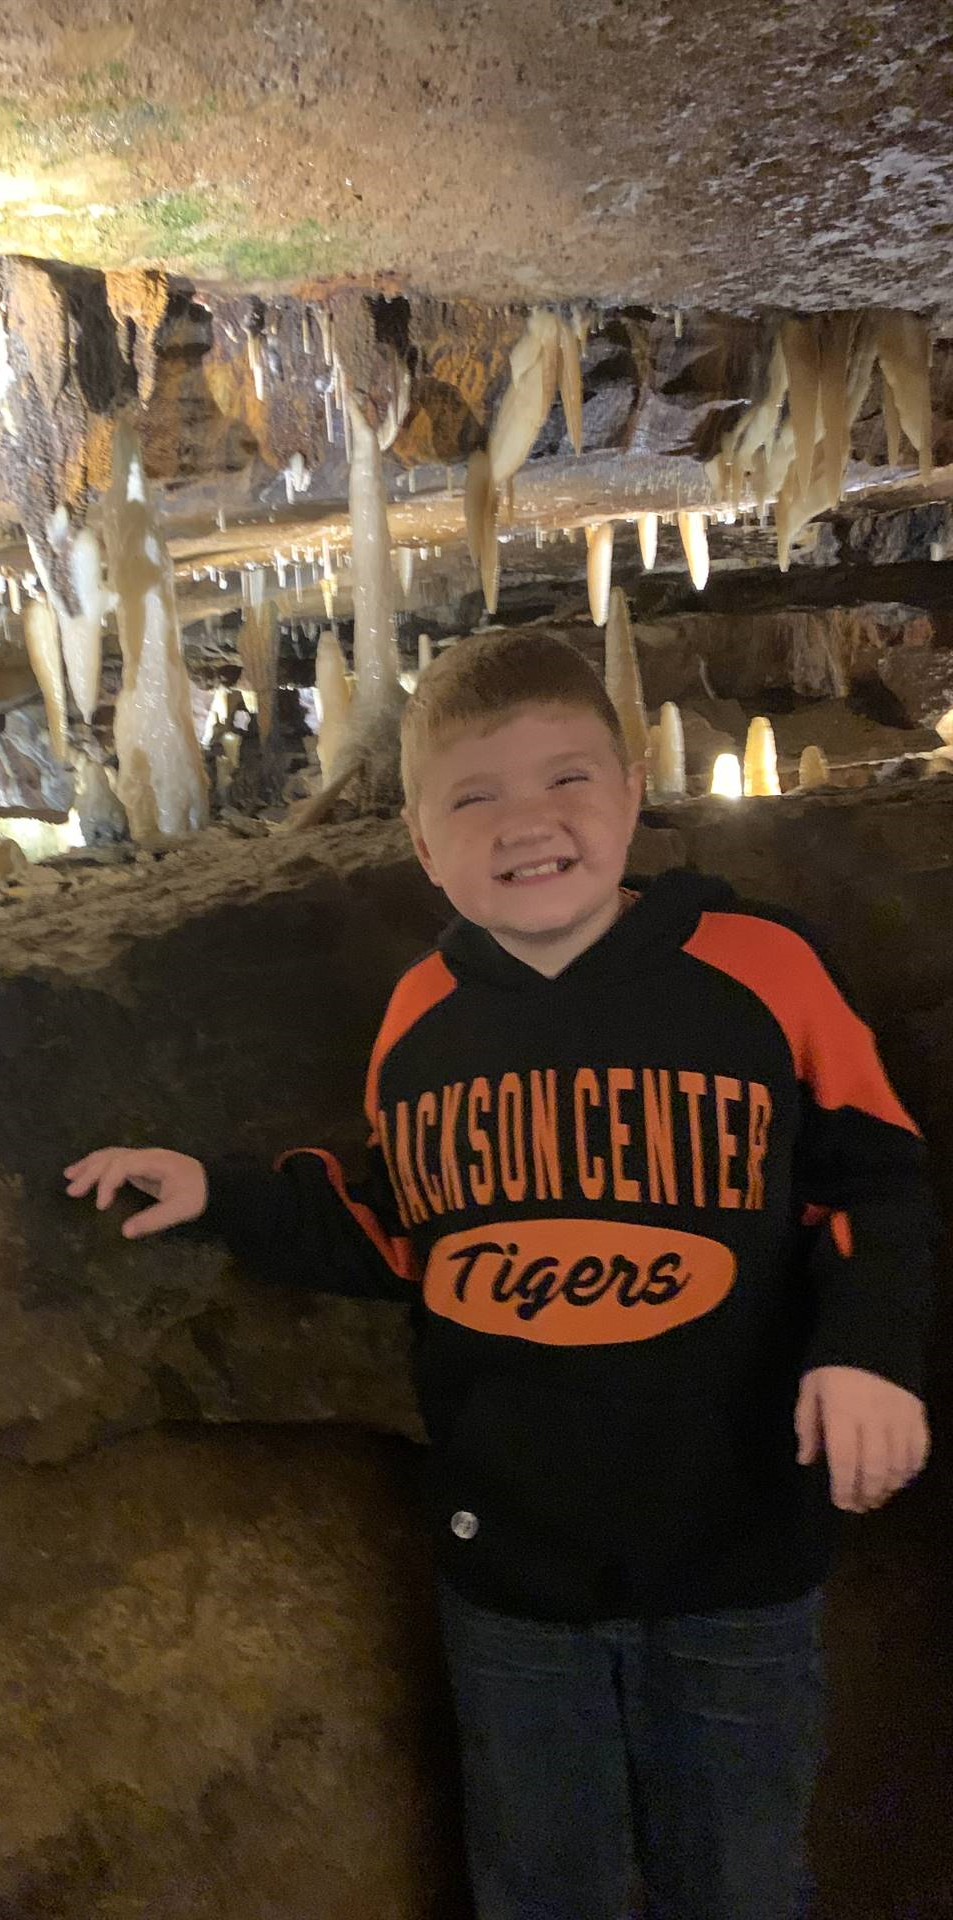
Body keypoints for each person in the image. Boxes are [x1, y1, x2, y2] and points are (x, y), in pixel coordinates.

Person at [65, 630, 936, 1920]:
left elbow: (879, 1175)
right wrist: (224, 1194)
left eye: (566, 780)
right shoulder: (423, 1013)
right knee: (541, 1882)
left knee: (741, 1878)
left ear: (634, 792)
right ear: (423, 845)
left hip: (737, 1549)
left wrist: (866, 1353)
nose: (526, 824)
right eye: (474, 797)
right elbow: (397, 1220)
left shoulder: (759, 968)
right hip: (514, 1569)